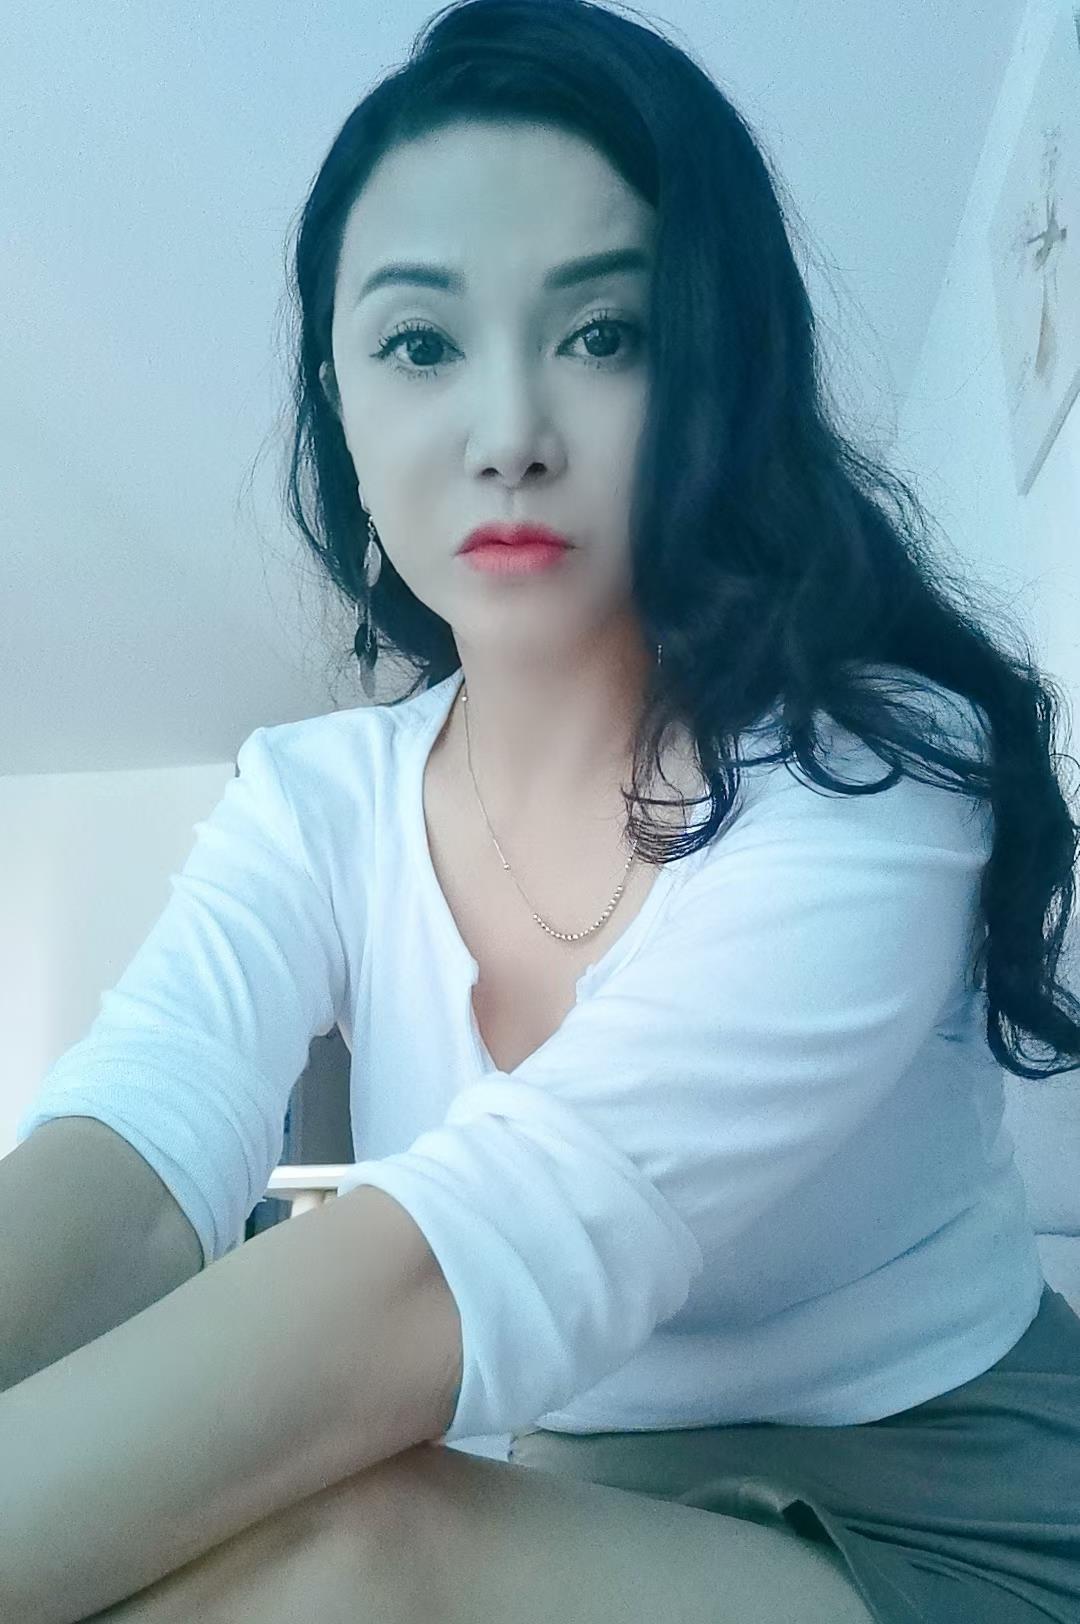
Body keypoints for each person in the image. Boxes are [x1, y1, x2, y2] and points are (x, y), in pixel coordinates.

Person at [6, 2, 1080, 1620]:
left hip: (961, 1505)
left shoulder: (877, 772)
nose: (509, 435)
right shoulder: (315, 797)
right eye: (421, 346)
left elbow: (459, 1260)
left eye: (604, 335)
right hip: (574, 1502)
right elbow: (137, 1150)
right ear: (340, 397)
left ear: (717, 372)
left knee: (353, 1550)